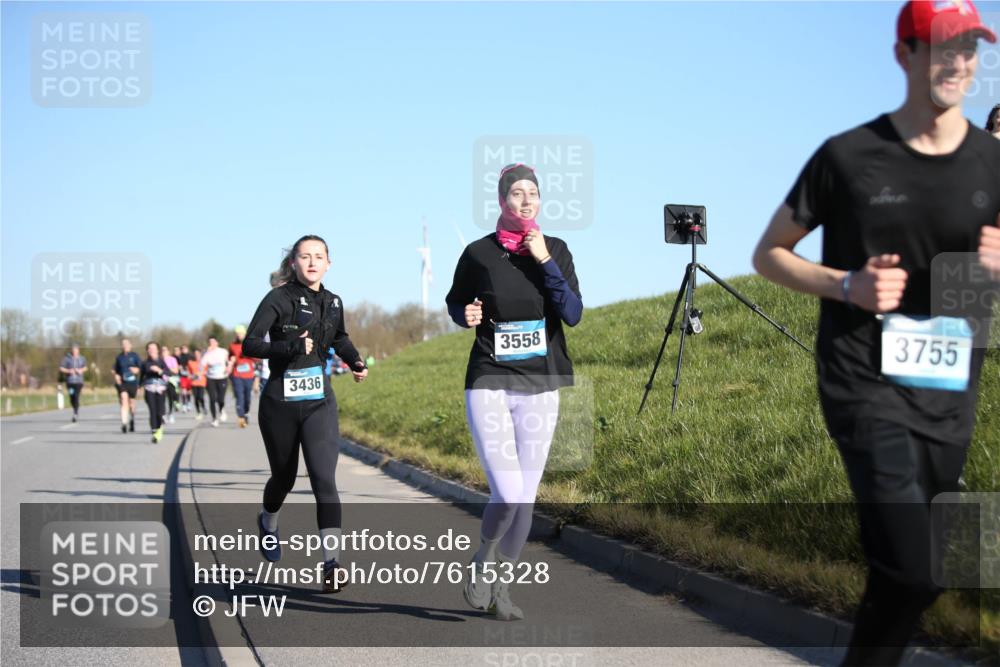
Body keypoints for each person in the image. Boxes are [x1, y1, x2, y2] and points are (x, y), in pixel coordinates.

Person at [752, 3, 999, 664]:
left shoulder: (991, 163)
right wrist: (846, 285)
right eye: (942, 47)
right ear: (905, 55)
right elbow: (768, 252)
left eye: (969, 48)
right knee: (913, 568)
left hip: (949, 384)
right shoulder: (848, 156)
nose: (958, 63)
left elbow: (978, 290)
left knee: (918, 572)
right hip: (864, 380)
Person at [445, 163, 583, 621]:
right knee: (506, 490)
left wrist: (543, 259)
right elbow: (455, 300)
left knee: (526, 495)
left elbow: (573, 312)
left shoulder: (557, 250)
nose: (526, 201)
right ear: (502, 201)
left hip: (541, 385)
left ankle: (501, 584)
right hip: (489, 378)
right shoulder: (478, 253)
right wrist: (462, 313)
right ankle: (482, 559)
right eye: (516, 194)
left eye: (533, 193)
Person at [242, 234, 368, 593]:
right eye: (304, 256)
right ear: (293, 263)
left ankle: (331, 565)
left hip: (319, 402)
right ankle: (268, 521)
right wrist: (289, 346)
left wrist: (354, 359)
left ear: (329, 263)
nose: (312, 262)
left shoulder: (334, 301)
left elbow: (339, 337)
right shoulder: (277, 299)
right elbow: (252, 344)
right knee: (283, 478)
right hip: (279, 404)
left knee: (323, 479)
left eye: (318, 256)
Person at [228, 325, 258, 428]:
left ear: (245, 334)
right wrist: (232, 360)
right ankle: (240, 417)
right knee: (239, 396)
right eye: (237, 334)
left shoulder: (250, 344)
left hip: (249, 375)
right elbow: (230, 358)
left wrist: (248, 355)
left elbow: (257, 358)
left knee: (247, 398)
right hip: (237, 375)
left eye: (240, 333)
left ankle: (246, 412)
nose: (239, 335)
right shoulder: (232, 346)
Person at [140, 342, 169, 444]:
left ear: (157, 350)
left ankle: (159, 428)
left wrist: (159, 371)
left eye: (154, 348)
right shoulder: (145, 363)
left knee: (159, 412)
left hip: (160, 388)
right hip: (149, 388)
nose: (152, 350)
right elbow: (142, 375)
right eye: (150, 348)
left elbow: (168, 372)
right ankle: (155, 432)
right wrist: (139, 386)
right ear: (147, 351)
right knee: (152, 410)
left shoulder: (161, 361)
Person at [112, 338, 142, 433]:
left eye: (126, 344)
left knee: (131, 403)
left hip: (133, 382)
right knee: (123, 399)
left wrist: (136, 370)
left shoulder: (135, 356)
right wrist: (116, 376)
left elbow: (141, 368)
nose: (125, 346)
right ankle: (124, 423)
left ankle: (132, 419)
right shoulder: (119, 357)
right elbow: (115, 370)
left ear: (130, 345)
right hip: (123, 383)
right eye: (123, 344)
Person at [200, 336, 230, 427]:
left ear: (217, 343)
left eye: (213, 342)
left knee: (221, 399)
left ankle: (221, 409)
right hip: (211, 378)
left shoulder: (223, 351)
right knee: (212, 399)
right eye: (210, 342)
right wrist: (206, 353)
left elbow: (228, 362)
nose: (211, 344)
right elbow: (201, 365)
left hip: (222, 377)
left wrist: (228, 368)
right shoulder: (207, 353)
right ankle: (214, 419)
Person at [58, 344, 87, 422]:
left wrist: (80, 370)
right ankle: (75, 407)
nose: (75, 352)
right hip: (70, 382)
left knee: (76, 396)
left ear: (78, 350)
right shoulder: (67, 359)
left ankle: (75, 414)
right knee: (72, 397)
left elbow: (85, 367)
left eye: (76, 350)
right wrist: (68, 371)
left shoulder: (82, 358)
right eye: (73, 350)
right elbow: (61, 368)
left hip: (79, 382)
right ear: (72, 351)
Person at [161, 343, 180, 424]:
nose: (163, 352)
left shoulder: (172, 359)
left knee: (170, 398)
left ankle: (171, 414)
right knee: (161, 399)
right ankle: (163, 415)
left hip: (171, 381)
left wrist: (167, 369)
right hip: (161, 382)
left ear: (168, 351)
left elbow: (176, 371)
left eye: (165, 350)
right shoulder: (159, 360)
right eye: (162, 350)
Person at [188, 348, 207, 420]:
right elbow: (189, 373)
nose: (197, 355)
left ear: (200, 354)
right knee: (196, 398)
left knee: (201, 397)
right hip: (194, 382)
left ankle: (203, 406)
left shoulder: (204, 362)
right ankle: (198, 412)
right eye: (195, 354)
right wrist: (192, 376)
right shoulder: (191, 362)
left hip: (202, 382)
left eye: (198, 354)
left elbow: (207, 371)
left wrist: (201, 373)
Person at [176, 345, 193, 413]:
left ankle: (188, 402)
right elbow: (176, 365)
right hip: (182, 376)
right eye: (182, 348)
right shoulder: (179, 357)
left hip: (189, 376)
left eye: (185, 348)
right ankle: (184, 405)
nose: (183, 349)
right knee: (183, 391)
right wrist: (179, 367)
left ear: (187, 349)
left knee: (189, 391)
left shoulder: (191, 356)